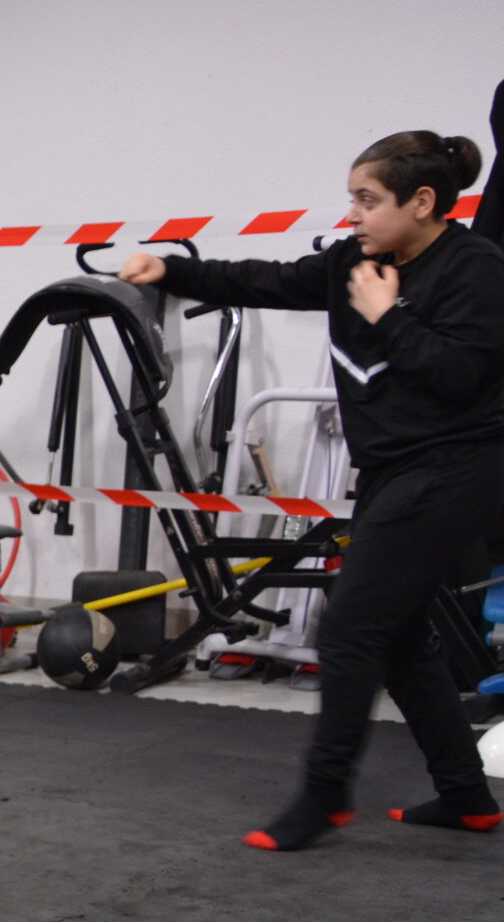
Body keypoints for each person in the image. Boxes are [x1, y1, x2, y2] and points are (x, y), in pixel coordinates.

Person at [122, 130, 504, 851]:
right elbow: (261, 278)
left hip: (459, 469)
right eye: (352, 199)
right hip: (397, 472)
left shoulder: (477, 271)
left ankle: (325, 795)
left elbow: (458, 377)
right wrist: (169, 268)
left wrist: (387, 317)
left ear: (422, 202)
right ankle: (466, 795)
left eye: (368, 199)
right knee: (399, 638)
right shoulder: (352, 262)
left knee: (352, 626)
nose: (354, 214)